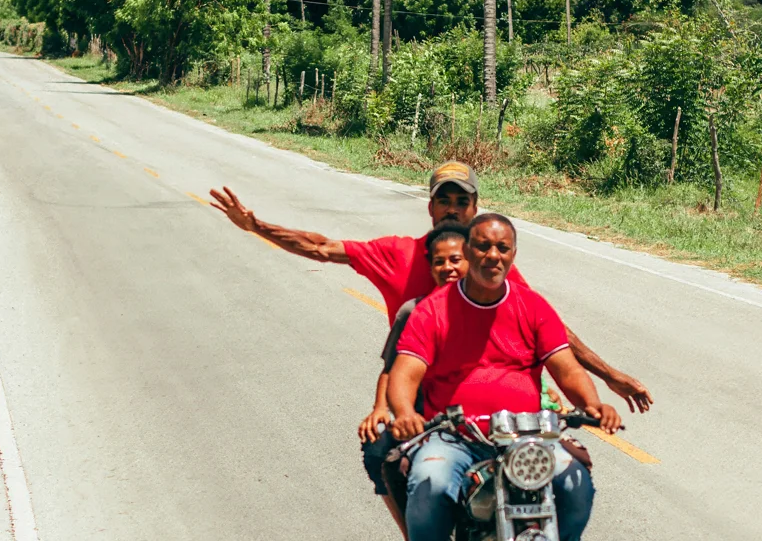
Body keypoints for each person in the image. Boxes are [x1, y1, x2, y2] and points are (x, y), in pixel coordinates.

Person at [208, 162, 654, 414]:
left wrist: (609, 376)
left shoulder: (488, 262)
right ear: (430, 207)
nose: (453, 210)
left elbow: (550, 330)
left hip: (501, 390)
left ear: (476, 209)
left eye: (463, 202)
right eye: (446, 200)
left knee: (568, 463)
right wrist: (257, 226)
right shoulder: (397, 253)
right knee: (384, 456)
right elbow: (323, 247)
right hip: (425, 390)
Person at [384, 214, 621, 541]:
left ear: (513, 254)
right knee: (429, 479)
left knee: (574, 482)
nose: (493, 256)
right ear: (469, 250)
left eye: (503, 248)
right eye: (483, 247)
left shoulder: (532, 306)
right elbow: (405, 373)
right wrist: (404, 412)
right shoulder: (433, 310)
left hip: (524, 435)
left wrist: (593, 404)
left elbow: (565, 369)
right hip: (456, 434)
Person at [359, 222, 470, 541]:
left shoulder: (499, 303)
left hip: (485, 419)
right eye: (440, 262)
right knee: (381, 452)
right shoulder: (416, 312)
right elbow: (392, 369)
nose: (449, 268)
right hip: (431, 420)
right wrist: (383, 409)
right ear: (431, 267)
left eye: (457, 259)